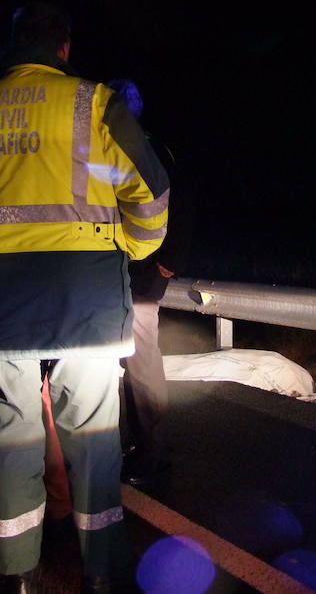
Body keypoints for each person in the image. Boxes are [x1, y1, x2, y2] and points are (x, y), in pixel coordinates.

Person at [0, 2, 169, 593]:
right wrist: (132, 248)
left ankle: (19, 576)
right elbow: (152, 191)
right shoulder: (95, 103)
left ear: (12, 46)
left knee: (10, 437)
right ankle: (103, 573)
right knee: (90, 434)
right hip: (81, 290)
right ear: (64, 48)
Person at [105, 79, 194, 487]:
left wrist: (167, 265)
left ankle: (153, 451)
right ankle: (142, 445)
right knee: (129, 364)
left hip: (140, 278)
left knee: (140, 364)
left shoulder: (149, 149)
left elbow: (182, 206)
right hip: (122, 274)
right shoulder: (119, 150)